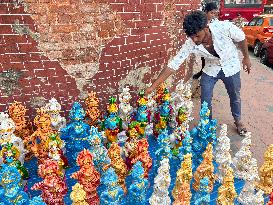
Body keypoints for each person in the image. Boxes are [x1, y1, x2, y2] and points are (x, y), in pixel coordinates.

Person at [145, 10, 251, 136]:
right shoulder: (191, 43)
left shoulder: (224, 27)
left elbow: (242, 38)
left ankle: (238, 120)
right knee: (205, 98)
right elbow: (174, 64)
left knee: (235, 95)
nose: (194, 40)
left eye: (197, 36)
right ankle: (207, 124)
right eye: (191, 37)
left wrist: (246, 57)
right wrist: (152, 87)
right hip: (211, 69)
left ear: (205, 28)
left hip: (231, 65)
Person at [193, 2, 219, 80]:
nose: (213, 15)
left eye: (215, 13)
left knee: (210, 59)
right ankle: (203, 72)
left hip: (212, 43)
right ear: (206, 11)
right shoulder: (200, 20)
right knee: (203, 58)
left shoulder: (215, 21)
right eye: (211, 13)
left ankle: (207, 74)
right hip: (202, 42)